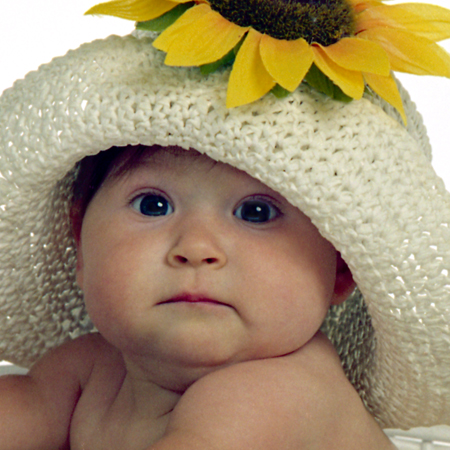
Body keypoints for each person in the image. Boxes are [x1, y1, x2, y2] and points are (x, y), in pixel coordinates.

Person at [1, 0, 450, 449]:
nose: (196, 247)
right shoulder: (92, 370)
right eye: (153, 205)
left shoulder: (275, 394)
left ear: (341, 270)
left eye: (257, 212)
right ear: (79, 241)